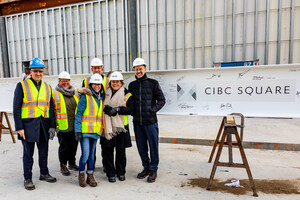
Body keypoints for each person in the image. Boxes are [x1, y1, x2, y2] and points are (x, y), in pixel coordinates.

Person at [13, 57, 57, 190]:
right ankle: (28, 178)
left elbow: (51, 108)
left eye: (41, 71)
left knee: (44, 151)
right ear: (30, 71)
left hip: (43, 124)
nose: (38, 74)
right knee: (28, 154)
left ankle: (44, 173)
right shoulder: (22, 86)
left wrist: (52, 126)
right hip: (28, 126)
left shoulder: (47, 87)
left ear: (43, 72)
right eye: (35, 71)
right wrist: (19, 127)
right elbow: (16, 108)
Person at [128, 58, 166, 183]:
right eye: (136, 69)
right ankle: (146, 167)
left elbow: (162, 100)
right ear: (134, 70)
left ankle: (153, 169)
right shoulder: (132, 86)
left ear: (145, 69)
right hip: (138, 122)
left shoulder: (153, 83)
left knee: (153, 146)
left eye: (140, 68)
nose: (138, 71)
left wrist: (152, 110)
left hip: (150, 122)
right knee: (141, 147)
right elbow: (130, 104)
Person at [101, 71, 133, 183]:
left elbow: (130, 109)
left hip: (121, 127)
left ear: (121, 82)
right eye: (113, 81)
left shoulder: (126, 93)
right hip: (107, 126)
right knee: (107, 151)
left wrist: (117, 110)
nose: (115, 83)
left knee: (120, 151)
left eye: (117, 82)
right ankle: (110, 173)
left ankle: (121, 172)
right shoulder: (105, 93)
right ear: (110, 83)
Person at [75, 73, 104, 187]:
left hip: (95, 131)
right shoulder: (85, 97)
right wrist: (78, 131)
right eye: (95, 84)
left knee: (92, 155)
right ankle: (81, 174)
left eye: (99, 84)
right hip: (85, 131)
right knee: (86, 154)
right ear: (91, 84)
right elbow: (78, 114)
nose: (97, 86)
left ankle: (90, 175)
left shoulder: (100, 98)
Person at [81, 58, 108, 171]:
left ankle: (106, 165)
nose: (97, 70)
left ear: (102, 69)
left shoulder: (108, 80)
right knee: (92, 147)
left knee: (105, 143)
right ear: (91, 69)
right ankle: (91, 166)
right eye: (95, 68)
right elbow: (83, 96)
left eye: (99, 68)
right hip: (91, 116)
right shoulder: (86, 81)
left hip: (104, 114)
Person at [52, 71, 79, 176]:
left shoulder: (75, 92)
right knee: (64, 147)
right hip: (62, 126)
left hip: (74, 125)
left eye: (67, 81)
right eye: (63, 81)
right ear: (59, 81)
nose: (65, 83)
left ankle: (72, 163)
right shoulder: (55, 94)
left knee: (74, 145)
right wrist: (53, 125)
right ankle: (63, 165)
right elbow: (52, 110)